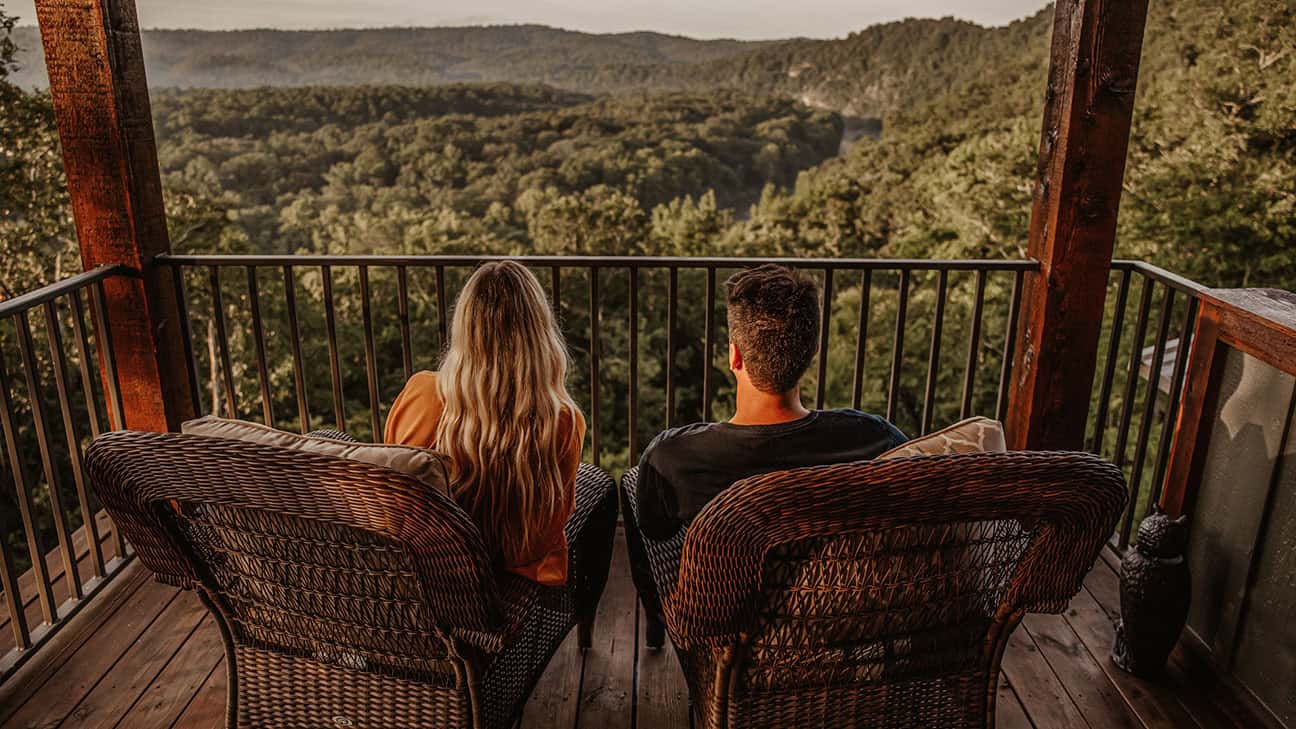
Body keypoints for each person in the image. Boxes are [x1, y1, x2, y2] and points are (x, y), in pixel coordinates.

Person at [625, 264, 907, 629]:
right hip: (850, 628)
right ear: (813, 351)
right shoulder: (873, 438)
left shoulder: (674, 458)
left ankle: (654, 626)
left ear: (734, 356)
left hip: (733, 645)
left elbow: (655, 529)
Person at [385, 261, 585, 586]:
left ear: (463, 326)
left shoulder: (419, 393)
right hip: (501, 582)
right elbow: (541, 541)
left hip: (423, 575)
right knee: (598, 490)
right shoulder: (560, 421)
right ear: (538, 331)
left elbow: (394, 483)